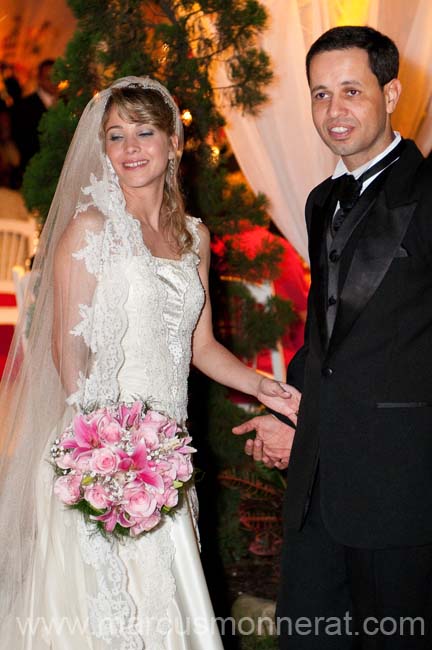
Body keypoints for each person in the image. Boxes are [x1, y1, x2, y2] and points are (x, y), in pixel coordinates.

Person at [0, 76, 296, 649]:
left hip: (165, 459)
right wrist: (104, 455)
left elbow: (200, 347)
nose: (131, 147)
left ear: (172, 143)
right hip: (99, 461)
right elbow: (69, 352)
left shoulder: (193, 237)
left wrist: (266, 387)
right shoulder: (90, 231)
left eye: (144, 131)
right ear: (103, 148)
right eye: (116, 135)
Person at [234, 25, 432, 650]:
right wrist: (298, 418)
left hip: (403, 490)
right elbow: (330, 338)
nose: (334, 111)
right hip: (318, 490)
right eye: (320, 94)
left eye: (351, 90)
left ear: (392, 91)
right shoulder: (322, 201)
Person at [12, 59, 58, 177]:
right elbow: (23, 142)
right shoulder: (24, 106)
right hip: (36, 171)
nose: (54, 82)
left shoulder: (66, 102)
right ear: (40, 80)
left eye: (57, 76)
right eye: (49, 78)